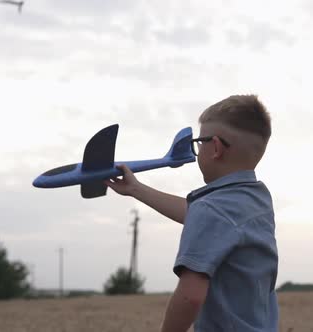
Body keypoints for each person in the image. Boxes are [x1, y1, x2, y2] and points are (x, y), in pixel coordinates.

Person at [104, 94, 279, 332]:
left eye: (199, 142)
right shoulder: (256, 199)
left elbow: (191, 296)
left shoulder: (211, 210)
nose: (197, 149)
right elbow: (199, 214)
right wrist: (136, 189)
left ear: (215, 147)